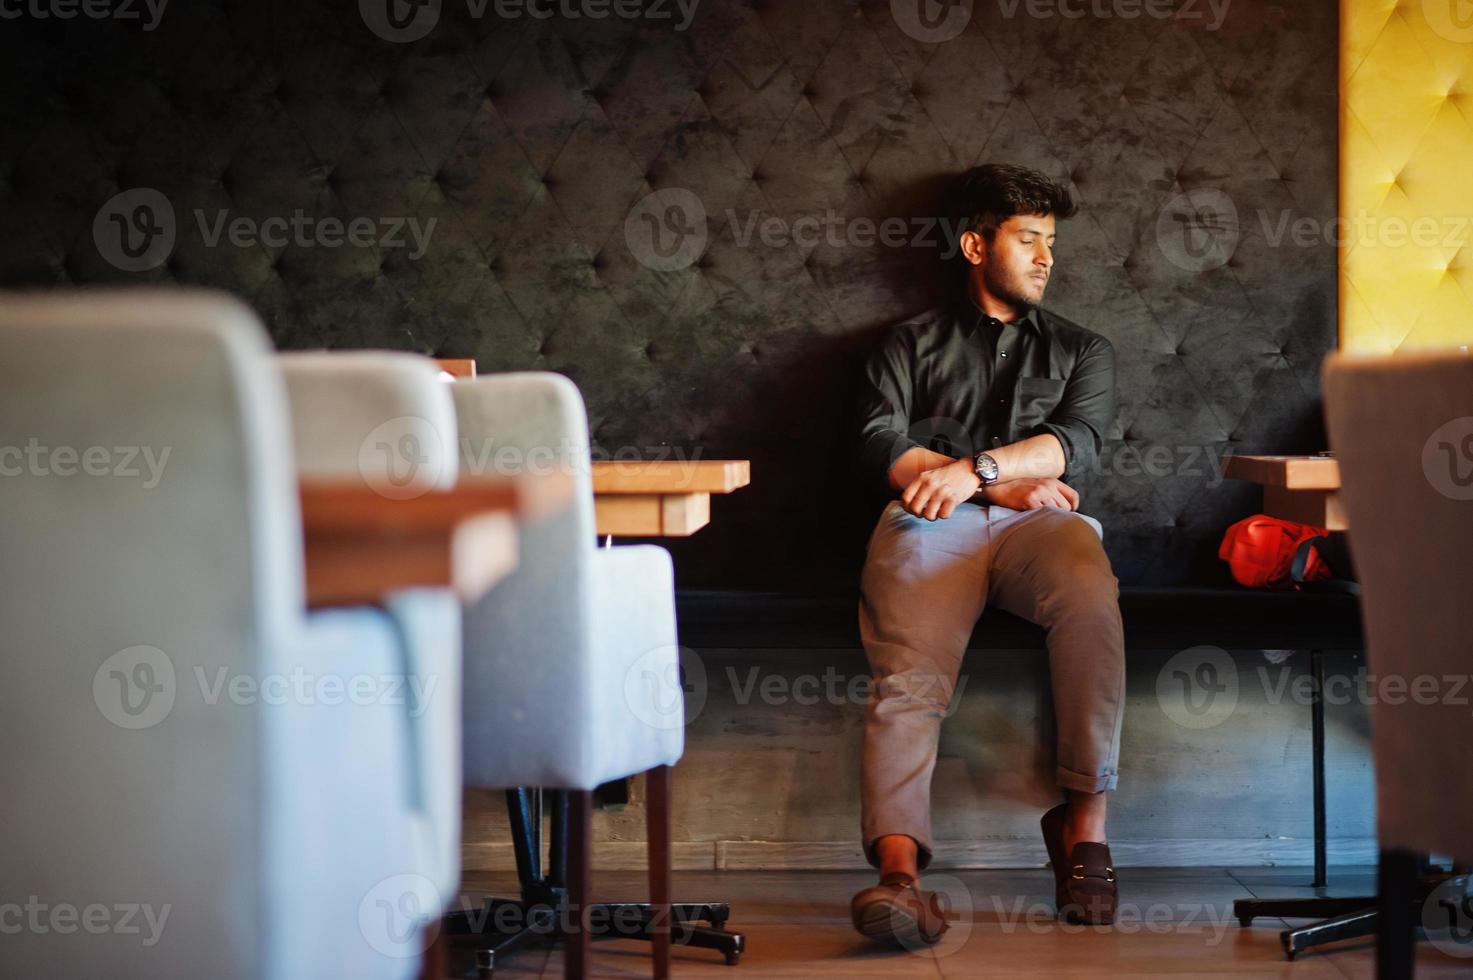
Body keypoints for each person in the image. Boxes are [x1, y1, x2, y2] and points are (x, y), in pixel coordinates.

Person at [849, 163, 1124, 946]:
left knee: (1090, 600)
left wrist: (978, 470)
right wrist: (977, 489)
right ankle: (898, 877)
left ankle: (1085, 827)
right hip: (927, 523)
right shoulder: (905, 344)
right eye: (1028, 239)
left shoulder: (1082, 349)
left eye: (1051, 243)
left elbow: (1077, 445)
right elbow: (878, 440)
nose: (1045, 257)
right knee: (907, 675)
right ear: (976, 245)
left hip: (1038, 526)